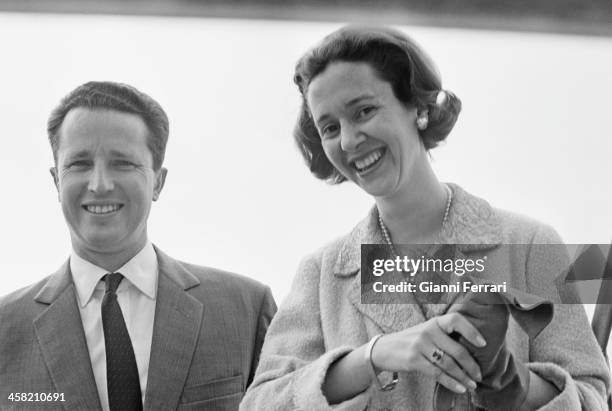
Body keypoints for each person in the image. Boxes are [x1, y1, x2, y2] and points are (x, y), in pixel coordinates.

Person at [240, 26, 609, 410]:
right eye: (329, 128)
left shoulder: (531, 245)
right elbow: (260, 403)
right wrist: (373, 356)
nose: (348, 140)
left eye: (363, 111)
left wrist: (508, 381)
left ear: (417, 108)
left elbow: (592, 398)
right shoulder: (322, 273)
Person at [0, 81, 276, 411]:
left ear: (158, 181)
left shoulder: (245, 309)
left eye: (123, 163)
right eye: (79, 164)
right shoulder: (5, 330)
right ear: (56, 180)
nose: (99, 184)